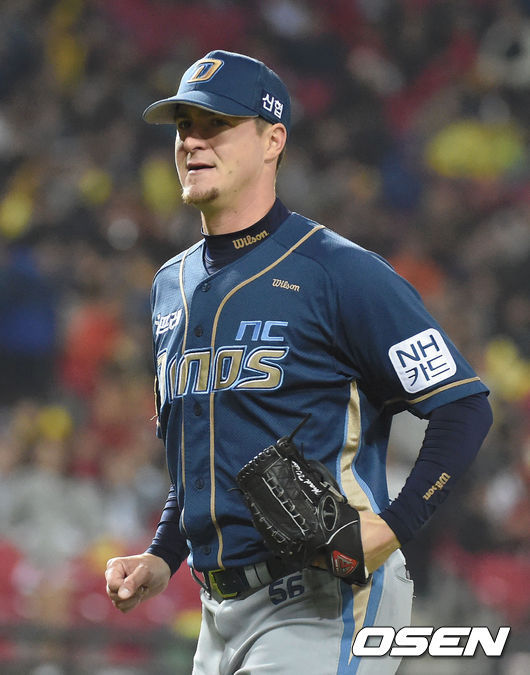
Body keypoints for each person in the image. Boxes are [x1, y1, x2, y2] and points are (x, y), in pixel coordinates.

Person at [105, 50, 492, 674]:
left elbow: (465, 406)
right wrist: (162, 554)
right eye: (184, 126)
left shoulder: (339, 272)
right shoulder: (169, 286)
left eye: (216, 124)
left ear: (273, 140)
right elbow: (201, 455)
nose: (192, 141)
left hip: (325, 600)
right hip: (217, 613)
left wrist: (394, 527)